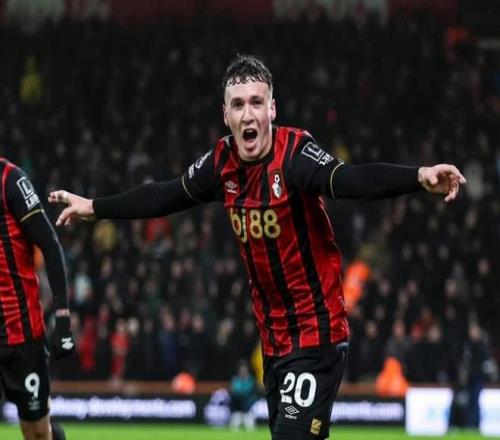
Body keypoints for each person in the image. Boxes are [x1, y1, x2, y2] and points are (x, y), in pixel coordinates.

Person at [48, 55, 466, 439]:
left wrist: (418, 176)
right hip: (273, 342)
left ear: (272, 109)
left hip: (317, 332)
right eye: (237, 105)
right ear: (225, 115)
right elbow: (165, 195)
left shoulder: (296, 154)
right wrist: (95, 207)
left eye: (256, 102)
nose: (248, 114)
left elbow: (351, 180)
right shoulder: (221, 162)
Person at [0, 158, 75, 440]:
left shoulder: (11, 180)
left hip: (20, 333)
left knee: (37, 434)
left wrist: (63, 318)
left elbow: (50, 245)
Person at [229, 361, 258, 431]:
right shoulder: (235, 380)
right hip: (237, 410)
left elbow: (247, 392)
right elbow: (233, 392)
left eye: (244, 370)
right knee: (233, 430)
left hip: (248, 410)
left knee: (250, 429)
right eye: (241, 370)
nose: (243, 372)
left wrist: (239, 393)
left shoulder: (251, 380)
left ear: (247, 371)